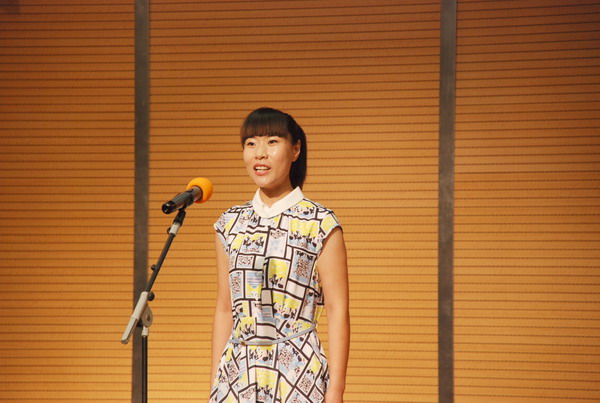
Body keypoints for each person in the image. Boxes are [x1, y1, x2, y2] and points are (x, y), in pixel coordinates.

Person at [209, 107, 350, 403]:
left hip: (298, 372)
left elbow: (337, 309)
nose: (260, 153)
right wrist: (215, 383)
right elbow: (224, 308)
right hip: (238, 374)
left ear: (295, 150)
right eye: (251, 143)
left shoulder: (320, 223)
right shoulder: (230, 223)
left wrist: (336, 391)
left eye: (272, 141)